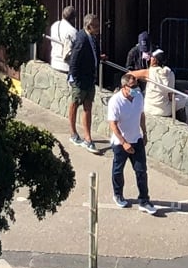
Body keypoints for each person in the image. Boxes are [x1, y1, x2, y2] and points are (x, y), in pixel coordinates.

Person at [107, 72, 154, 210]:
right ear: (124, 87)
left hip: (136, 140)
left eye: (137, 85)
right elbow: (113, 124)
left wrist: (144, 133)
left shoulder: (138, 97)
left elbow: (141, 115)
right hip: (121, 143)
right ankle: (118, 195)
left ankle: (144, 200)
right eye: (132, 86)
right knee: (118, 171)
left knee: (141, 171)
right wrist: (124, 142)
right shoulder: (115, 101)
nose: (136, 89)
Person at [65, 14, 101, 150]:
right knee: (75, 104)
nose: (98, 28)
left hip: (90, 78)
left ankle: (87, 137)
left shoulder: (93, 38)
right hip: (80, 79)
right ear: (89, 26)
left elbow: (94, 52)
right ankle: (73, 133)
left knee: (88, 106)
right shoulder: (81, 39)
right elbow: (74, 60)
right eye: (95, 26)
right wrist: (74, 78)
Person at [47, 5, 78, 73]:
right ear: (73, 18)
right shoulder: (73, 31)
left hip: (54, 62)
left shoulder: (54, 25)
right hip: (66, 66)